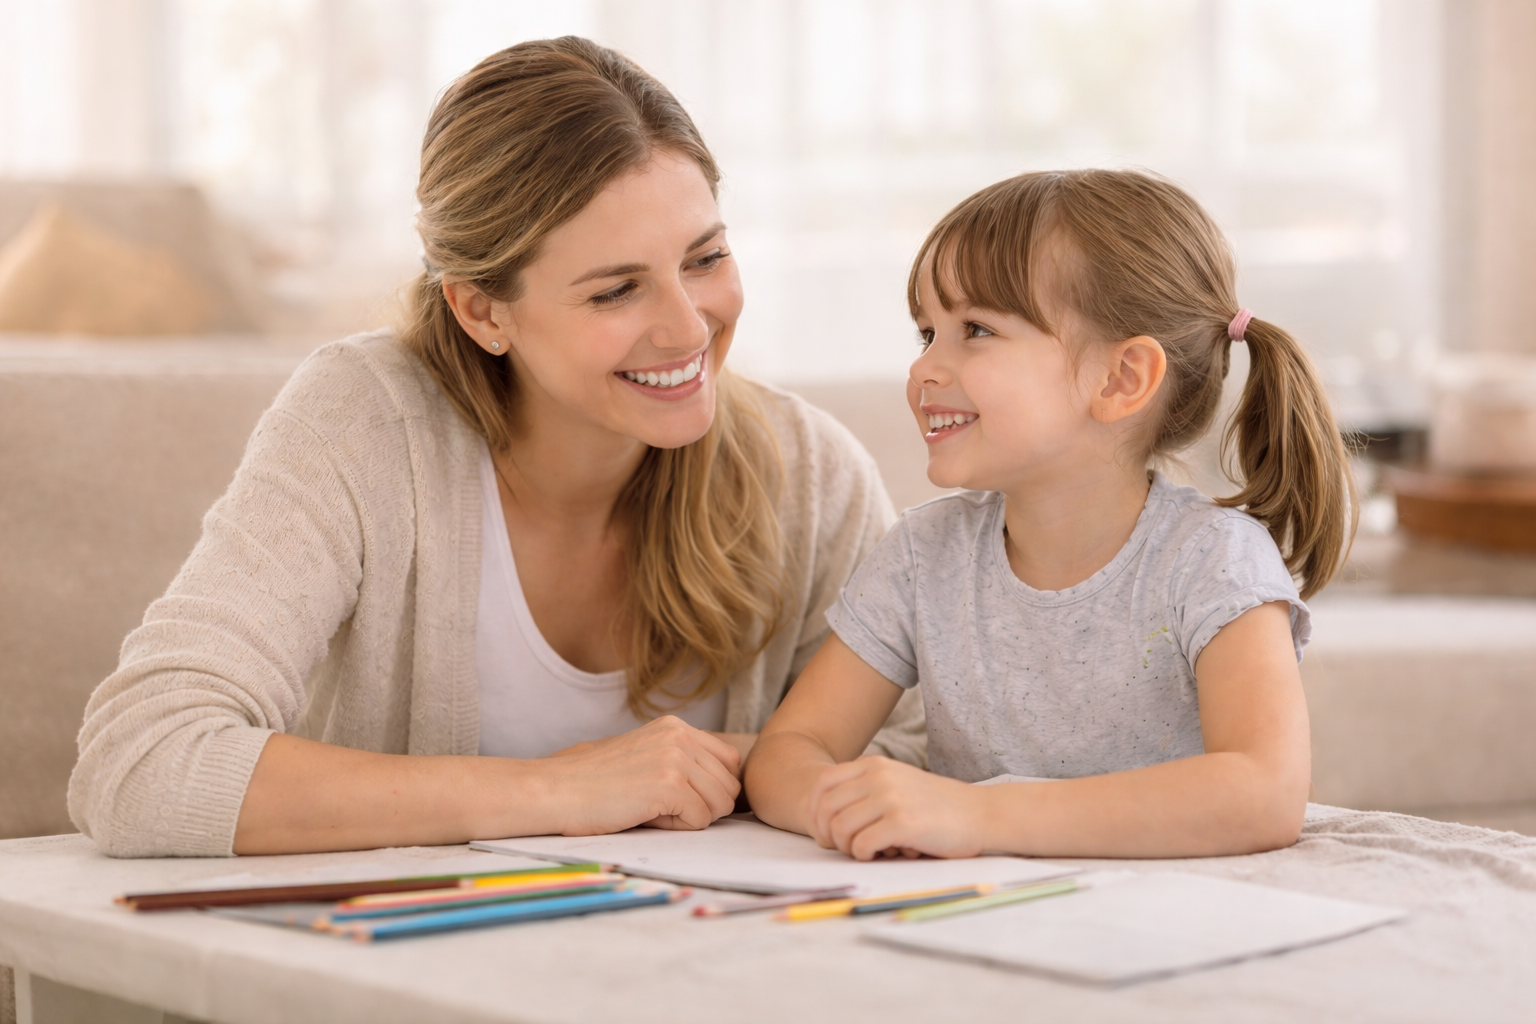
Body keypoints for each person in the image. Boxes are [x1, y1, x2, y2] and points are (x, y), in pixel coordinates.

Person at [68, 37, 923, 858]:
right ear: (483, 312)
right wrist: (557, 792)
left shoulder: (809, 473)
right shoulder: (367, 427)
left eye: (706, 258)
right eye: (616, 289)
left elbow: (941, 750)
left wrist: (764, 770)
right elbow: (141, 761)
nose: (687, 325)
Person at [746, 169, 1356, 860]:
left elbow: (1264, 793)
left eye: (974, 329)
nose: (924, 371)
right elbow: (787, 753)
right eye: (926, 334)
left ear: (1121, 379)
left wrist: (980, 816)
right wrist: (853, 810)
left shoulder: (1214, 562)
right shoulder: (923, 556)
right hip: (978, 913)